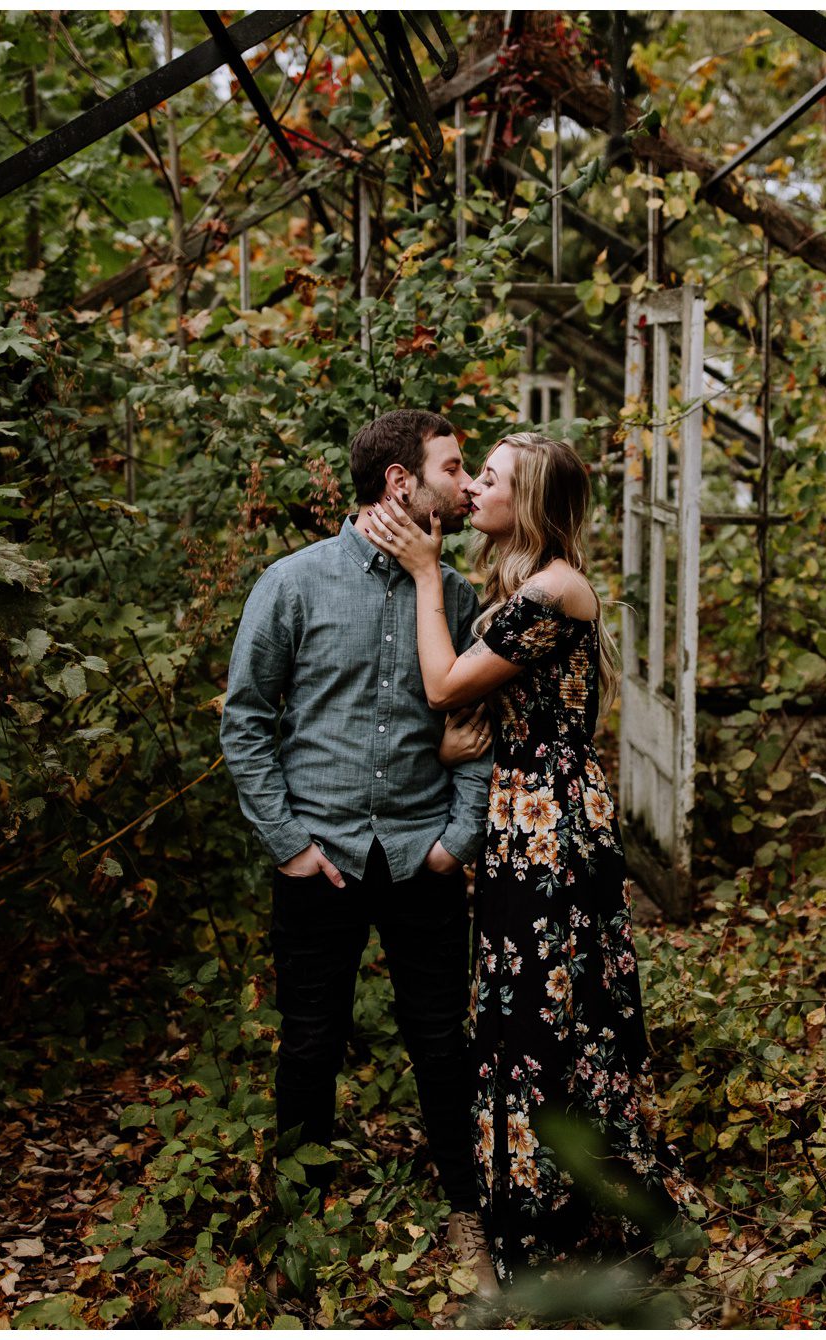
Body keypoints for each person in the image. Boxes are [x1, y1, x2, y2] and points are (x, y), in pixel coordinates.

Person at [361, 430, 694, 1283]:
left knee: (549, 1011)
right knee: (526, 1008)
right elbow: (481, 710)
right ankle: (550, 1209)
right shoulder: (524, 582)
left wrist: (427, 575)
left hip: (553, 827)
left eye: (491, 479)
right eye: (472, 473)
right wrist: (456, 751)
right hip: (523, 816)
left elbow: (443, 686)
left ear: (532, 503)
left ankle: (578, 1215)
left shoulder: (555, 590)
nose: (472, 488)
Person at [220, 409, 499, 1293]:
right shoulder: (293, 584)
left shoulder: (455, 597)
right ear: (399, 483)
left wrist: (458, 840)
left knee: (442, 1043)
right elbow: (248, 721)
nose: (465, 484)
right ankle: (302, 1228)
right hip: (322, 858)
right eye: (452, 468)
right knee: (309, 1045)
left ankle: (467, 1216)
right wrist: (290, 844)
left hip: (422, 858)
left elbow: (475, 730)